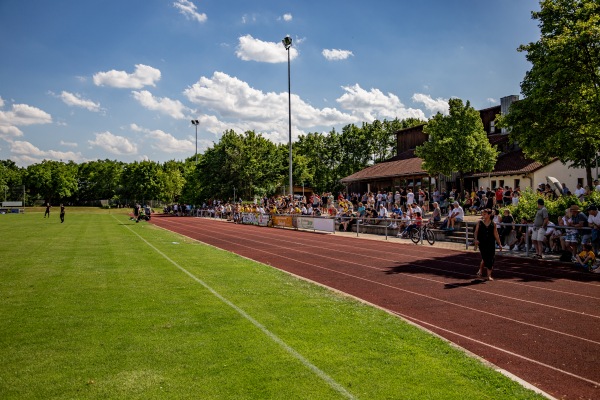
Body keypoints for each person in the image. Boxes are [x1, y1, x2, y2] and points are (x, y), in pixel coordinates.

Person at [474, 209, 503, 281]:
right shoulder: (479, 222)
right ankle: (481, 269)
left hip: (491, 243)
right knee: (485, 257)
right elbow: (476, 232)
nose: (483, 215)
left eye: (485, 214)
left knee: (491, 258)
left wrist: (499, 243)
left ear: (489, 215)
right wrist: (475, 239)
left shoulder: (493, 224)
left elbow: (496, 234)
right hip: (482, 243)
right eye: (483, 214)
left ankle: (488, 275)